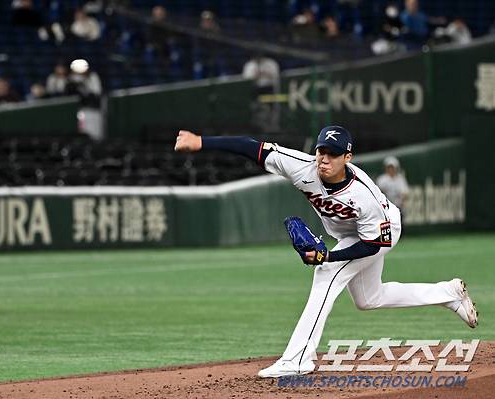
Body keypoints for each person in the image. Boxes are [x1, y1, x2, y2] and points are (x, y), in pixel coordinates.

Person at [174, 126, 478, 378]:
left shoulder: (364, 194)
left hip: (381, 231)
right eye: (321, 151)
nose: (324, 159)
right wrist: (201, 142)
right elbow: (251, 147)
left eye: (333, 154)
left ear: (347, 157)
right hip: (349, 233)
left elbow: (373, 244)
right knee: (369, 299)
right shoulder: (302, 167)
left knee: (326, 275)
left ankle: (298, 359)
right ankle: (448, 293)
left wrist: (328, 257)